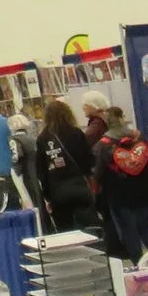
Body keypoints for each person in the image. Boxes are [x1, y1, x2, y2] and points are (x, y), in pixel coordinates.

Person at [94, 109, 148, 259]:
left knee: (128, 231)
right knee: (145, 225)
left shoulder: (103, 145)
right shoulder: (138, 137)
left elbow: (98, 172)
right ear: (122, 118)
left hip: (120, 195)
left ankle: (138, 264)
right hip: (145, 191)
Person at [31, 97, 100, 234]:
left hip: (57, 192)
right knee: (89, 229)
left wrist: (47, 197)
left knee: (66, 231)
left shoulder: (43, 138)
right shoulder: (76, 133)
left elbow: (41, 171)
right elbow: (89, 160)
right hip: (80, 187)